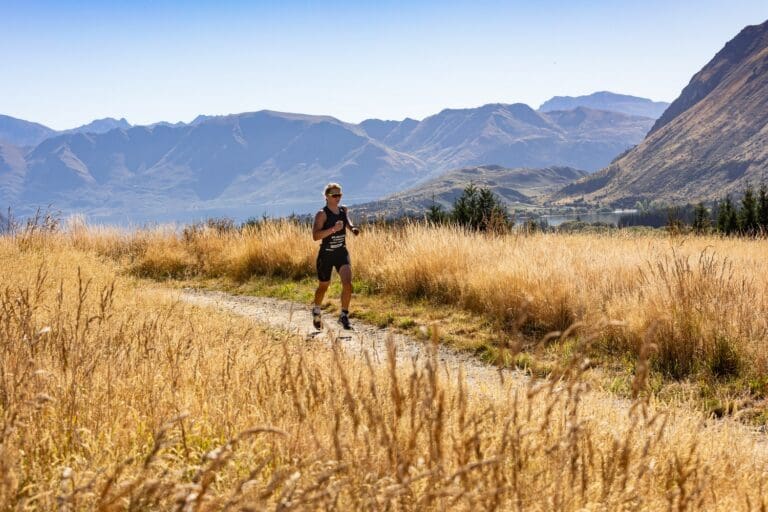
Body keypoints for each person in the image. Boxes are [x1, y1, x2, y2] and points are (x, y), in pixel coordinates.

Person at [311, 183, 360, 329]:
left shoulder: (343, 210)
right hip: (326, 255)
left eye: (340, 195)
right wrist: (333, 229)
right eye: (335, 195)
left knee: (347, 283)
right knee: (323, 286)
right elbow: (315, 236)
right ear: (326, 196)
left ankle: (344, 315)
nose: (338, 197)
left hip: (341, 252)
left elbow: (348, 223)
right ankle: (317, 310)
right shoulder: (322, 214)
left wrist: (353, 229)